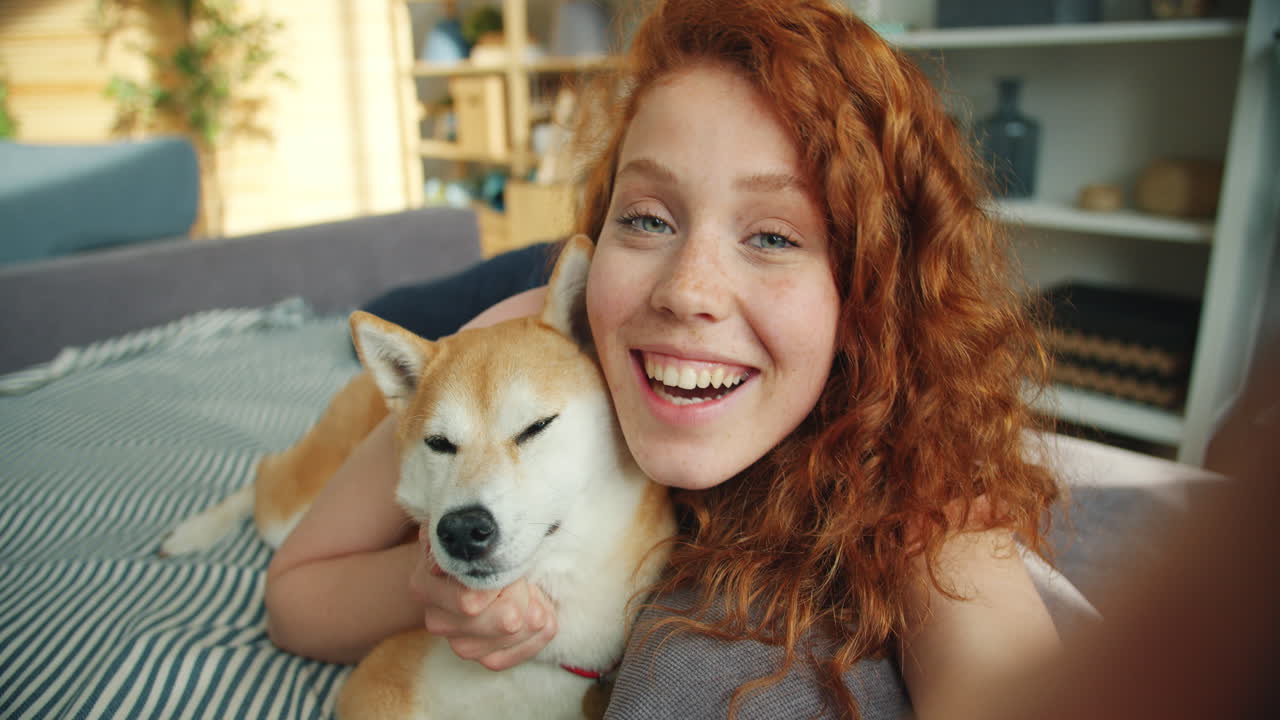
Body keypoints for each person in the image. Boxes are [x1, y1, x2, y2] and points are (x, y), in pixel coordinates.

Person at [264, 0, 1063, 716]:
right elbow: (294, 594)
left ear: (869, 296)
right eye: (646, 217)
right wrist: (431, 587)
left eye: (774, 235)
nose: (688, 290)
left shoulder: (914, 471)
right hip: (512, 283)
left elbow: (1002, 666)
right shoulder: (529, 340)